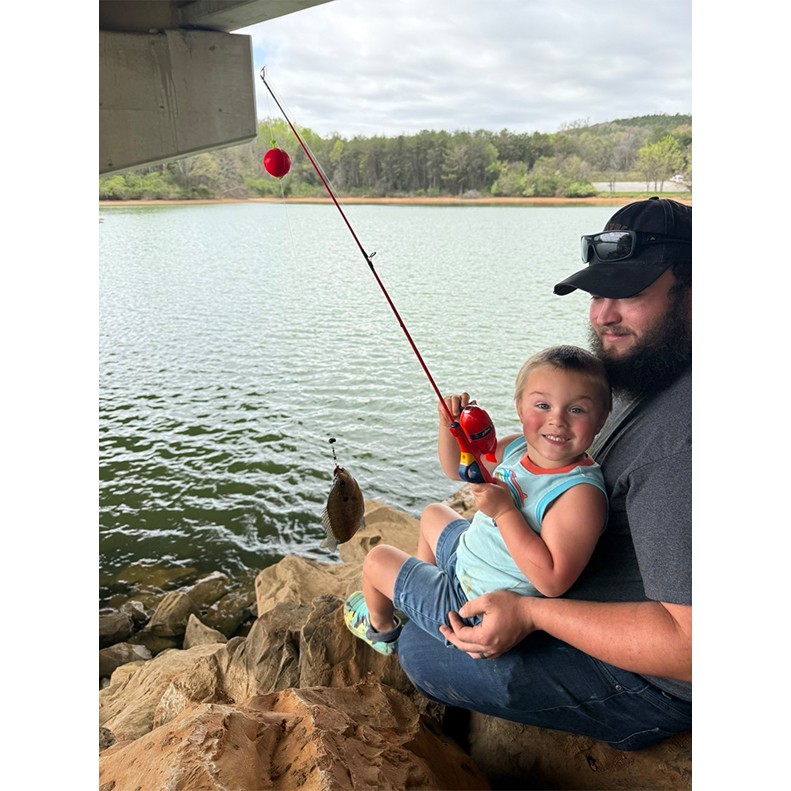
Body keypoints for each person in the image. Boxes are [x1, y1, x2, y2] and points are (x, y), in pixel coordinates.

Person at [396, 196, 692, 752]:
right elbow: (514, 461)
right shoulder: (643, 371)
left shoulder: (687, 442)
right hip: (543, 566)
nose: (602, 316)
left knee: (419, 648)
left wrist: (530, 613)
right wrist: (476, 441)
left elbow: (696, 649)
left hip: (647, 680)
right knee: (440, 531)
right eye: (599, 294)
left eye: (628, 295)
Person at [343, 344, 612, 656]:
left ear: (602, 419)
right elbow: (457, 468)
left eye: (576, 410)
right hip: (470, 560)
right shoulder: (516, 448)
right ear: (520, 408)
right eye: (542, 406)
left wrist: (505, 512)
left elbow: (553, 581)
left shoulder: (580, 494)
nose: (557, 420)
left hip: (477, 607)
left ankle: (382, 630)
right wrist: (449, 428)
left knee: (377, 560)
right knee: (433, 513)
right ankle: (417, 597)